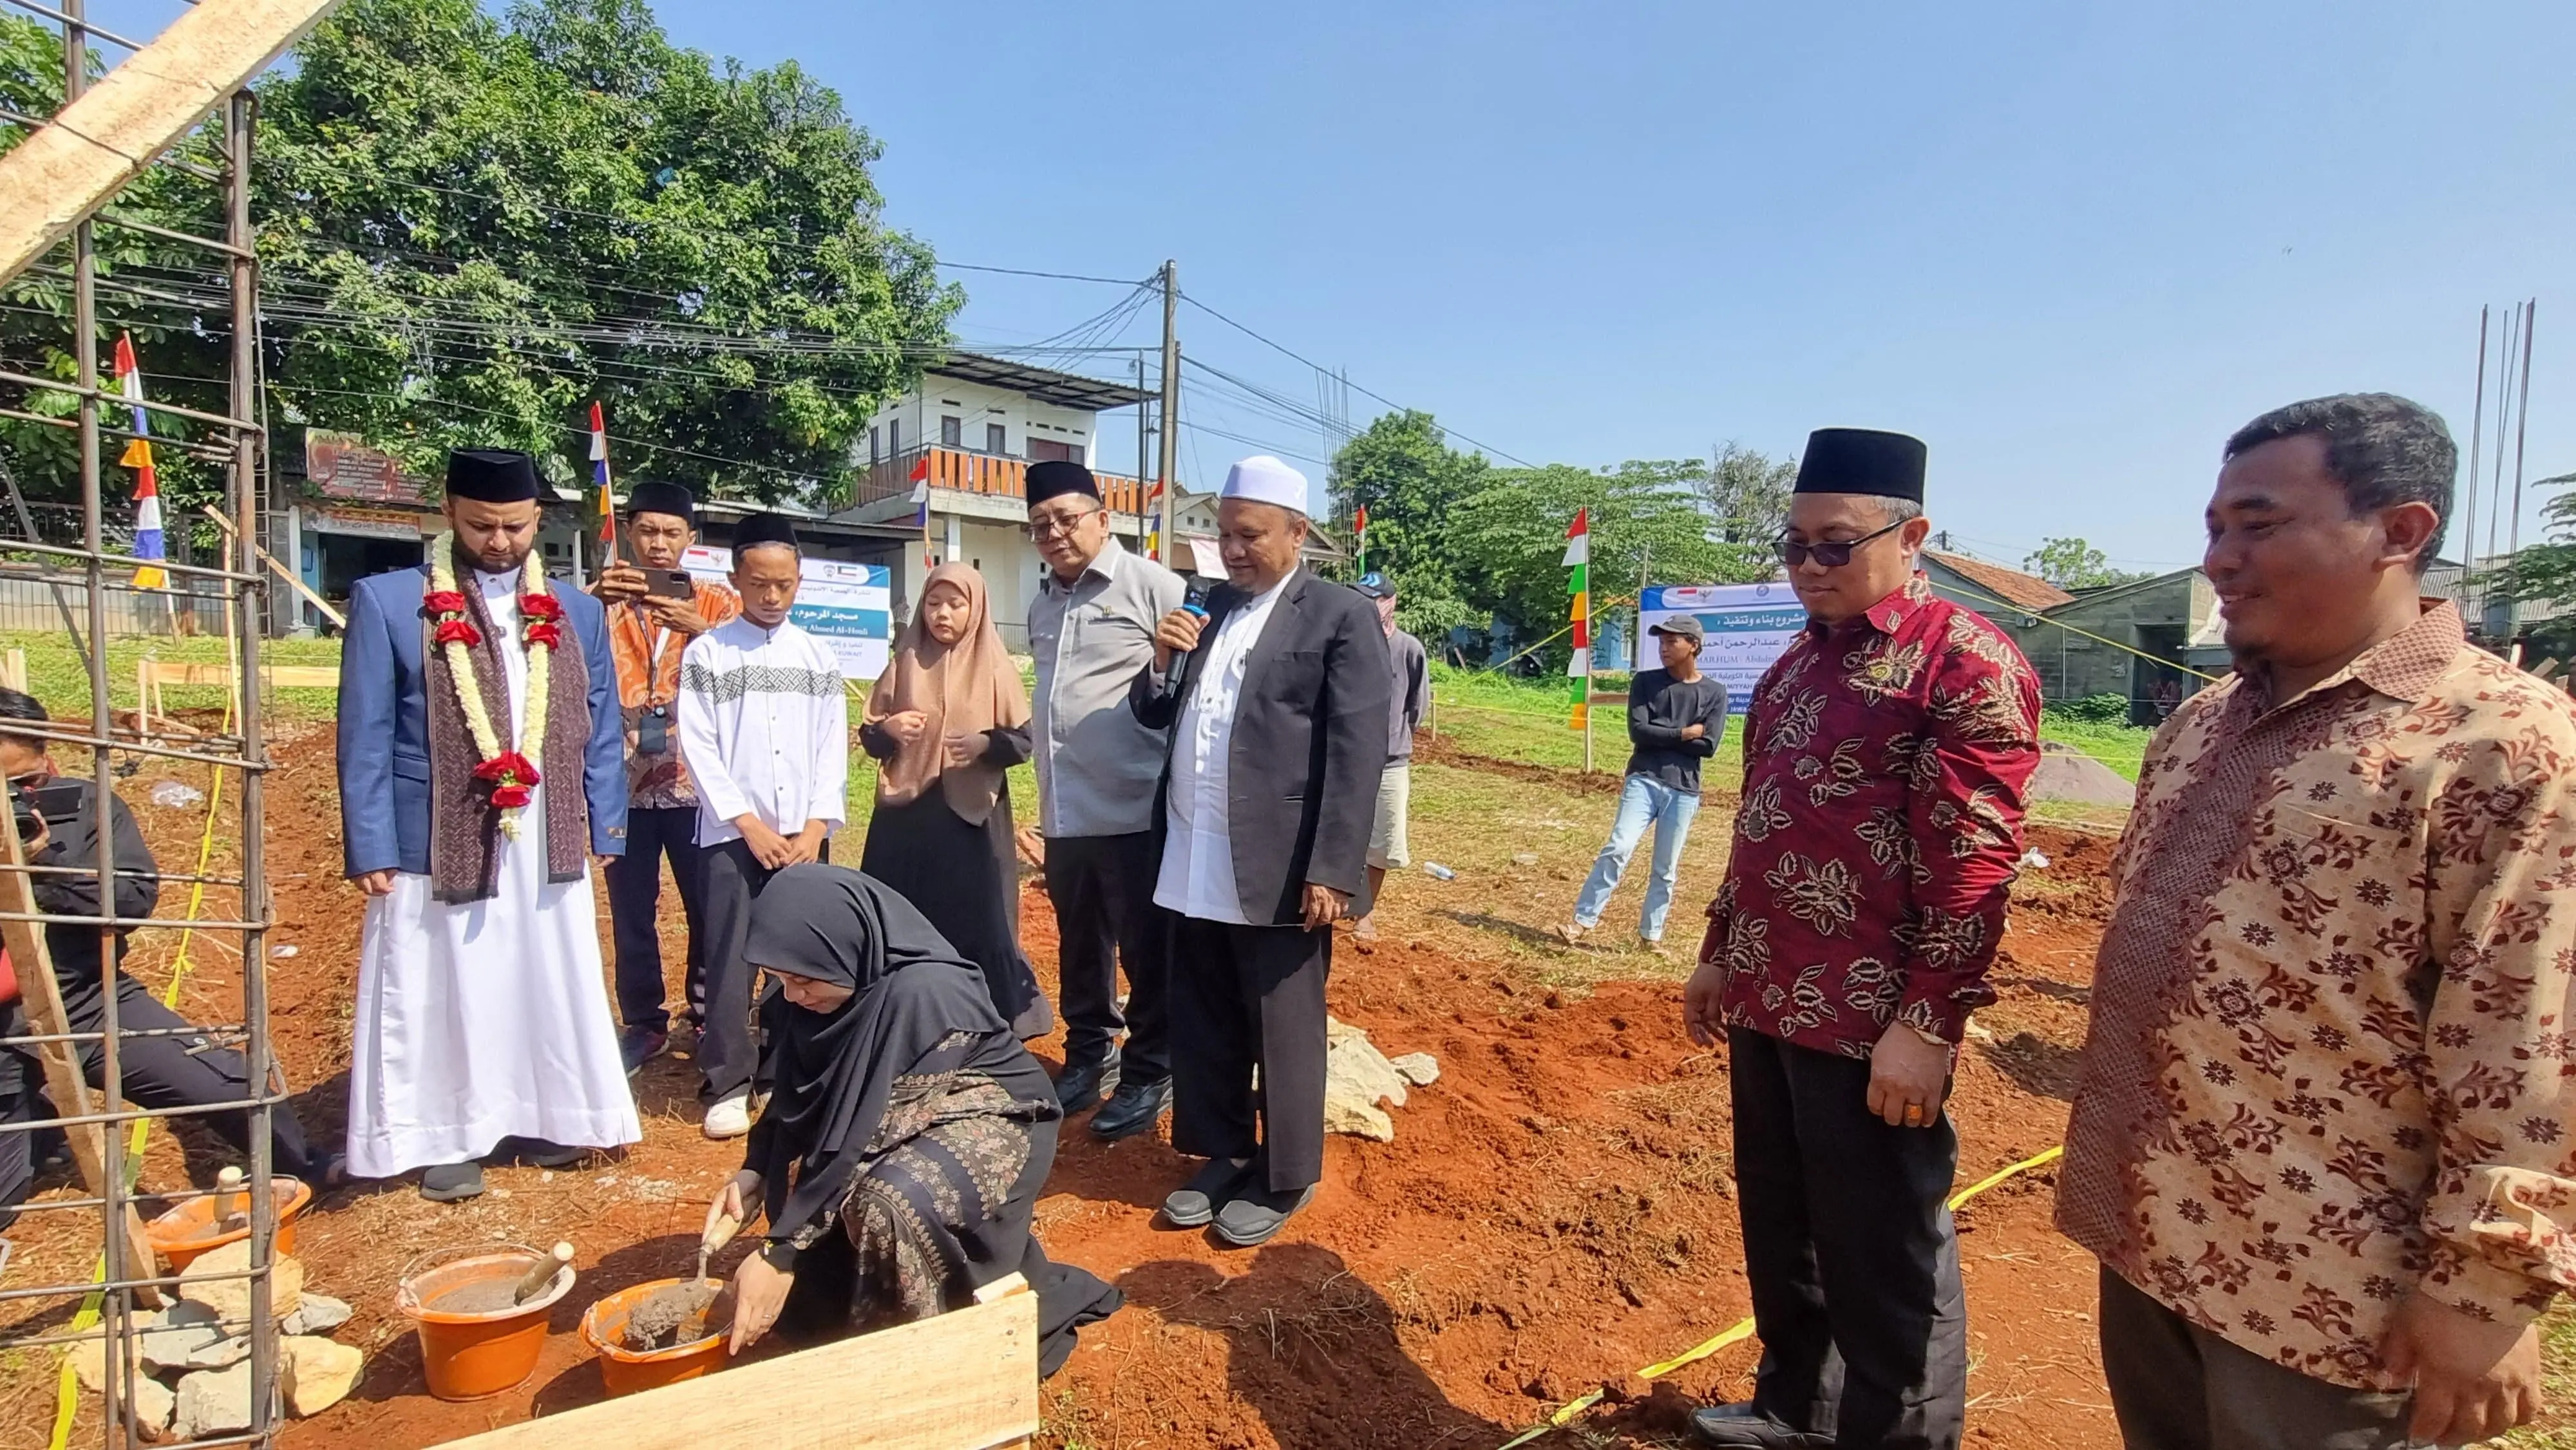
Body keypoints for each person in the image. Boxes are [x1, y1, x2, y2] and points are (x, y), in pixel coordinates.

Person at [2058, 394, 2572, 1450]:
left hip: (2328, 1302)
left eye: (2259, 524)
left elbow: (2530, 1041)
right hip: (2150, 1238)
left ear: (2401, 531)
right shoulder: (2202, 724)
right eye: (2214, 529)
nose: (2221, 559)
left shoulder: (2508, 745)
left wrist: (2485, 1288)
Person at [1681, 428, 2041, 1450]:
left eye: (1833, 546)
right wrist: (1720, 947)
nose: (1807, 568)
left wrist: (1928, 1025)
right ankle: (1797, 1410)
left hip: (1873, 1020)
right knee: (1784, 1226)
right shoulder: (1798, 664)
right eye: (1793, 546)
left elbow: (1974, 868)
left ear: (1912, 533)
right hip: (1768, 988)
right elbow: (1763, 818)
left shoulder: (1964, 663)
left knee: (1886, 1258)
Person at [338, 447, 637, 1202]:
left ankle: (549, 1113)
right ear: (449, 511)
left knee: (542, 973)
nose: (499, 542)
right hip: (433, 831)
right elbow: (364, 733)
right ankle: (445, 1135)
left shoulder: (579, 611)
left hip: (546, 832)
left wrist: (606, 823)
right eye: (481, 526)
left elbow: (601, 726)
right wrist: (371, 842)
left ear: (539, 518)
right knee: (445, 981)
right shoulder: (390, 601)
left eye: (513, 526)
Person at [701, 864, 1121, 1372]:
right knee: (829, 1182)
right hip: (886, 1120)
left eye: (803, 980)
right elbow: (797, 1095)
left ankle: (926, 1359)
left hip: (991, 1115)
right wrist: (756, 1170)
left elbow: (870, 1133)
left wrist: (783, 1251)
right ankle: (851, 1319)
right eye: (781, 980)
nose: (792, 995)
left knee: (890, 1200)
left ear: (846, 951)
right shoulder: (815, 993)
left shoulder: (925, 994)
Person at [1132, 455, 1390, 1248]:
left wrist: (1332, 866)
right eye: (1224, 532)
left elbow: (1357, 750)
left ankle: (1285, 1172)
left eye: (1249, 535)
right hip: (1193, 848)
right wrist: (1162, 660)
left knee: (1282, 1019)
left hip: (1281, 861)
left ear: (1296, 533)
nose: (1232, 548)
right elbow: (1154, 713)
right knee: (1204, 1009)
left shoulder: (1338, 615)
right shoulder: (1209, 606)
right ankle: (1223, 1148)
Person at [0, 690, 330, 1220]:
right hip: (3, 1022)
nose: (12, 801)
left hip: (84, 998)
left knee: (229, 1088)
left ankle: (307, 1165)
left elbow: (131, 898)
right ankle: (40, 1131)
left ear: (45, 762)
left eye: (22, 784)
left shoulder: (82, 805)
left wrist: (41, 872)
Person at [1022, 460, 1186, 1137]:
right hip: (1065, 810)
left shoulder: (1153, 586)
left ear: (1102, 518)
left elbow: (1183, 689)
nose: (1055, 532)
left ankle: (1151, 1066)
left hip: (1133, 807)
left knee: (1146, 950)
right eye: (1041, 524)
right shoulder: (1043, 602)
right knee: (1079, 942)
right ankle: (1090, 1052)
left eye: (1067, 517)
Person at [677, 513, 848, 1141]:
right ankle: (727, 1080)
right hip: (733, 836)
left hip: (802, 836)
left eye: (785, 585)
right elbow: (699, 748)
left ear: (800, 582)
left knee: (798, 954)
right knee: (729, 953)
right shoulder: (710, 654)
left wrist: (812, 826)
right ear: (735, 579)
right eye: (759, 584)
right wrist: (747, 823)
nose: (772, 596)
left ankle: (786, 1068)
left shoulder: (816, 655)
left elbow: (831, 747)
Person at [860, 563, 1051, 1040]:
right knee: (900, 913)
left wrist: (986, 745)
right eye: (933, 603)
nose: (943, 614)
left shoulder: (994, 664)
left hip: (971, 819)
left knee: (978, 918)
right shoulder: (906, 659)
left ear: (976, 609)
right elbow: (870, 733)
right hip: (906, 818)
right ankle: (898, 1014)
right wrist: (887, 730)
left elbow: (1023, 741)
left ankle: (986, 1018)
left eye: (955, 604)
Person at [592, 479, 742, 1075]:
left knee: (707, 904)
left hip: (693, 781)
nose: (659, 545)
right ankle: (645, 1023)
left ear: (690, 539)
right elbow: (553, 648)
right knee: (633, 910)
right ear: (629, 532)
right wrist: (589, 598)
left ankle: (708, 1015)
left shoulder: (719, 604)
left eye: (671, 533)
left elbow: (749, 669)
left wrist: (699, 631)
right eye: (648, 531)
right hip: (620, 784)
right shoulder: (599, 601)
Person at [1557, 615, 1728, 954]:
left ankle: (1651, 936)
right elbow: (1639, 732)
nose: (1664, 648)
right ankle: (1581, 922)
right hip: (1644, 779)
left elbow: (1708, 746)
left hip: (1684, 790)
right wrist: (1683, 733)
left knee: (1665, 868)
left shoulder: (1715, 693)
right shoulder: (1646, 682)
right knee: (1618, 847)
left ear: (1693, 645)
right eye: (1661, 642)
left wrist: (1663, 734)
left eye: (1672, 641)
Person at [1347, 572, 1426, 945]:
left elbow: (1417, 708)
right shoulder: (1345, 643)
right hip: (1346, 756)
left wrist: (1393, 737)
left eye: (1375, 599)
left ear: (1391, 602)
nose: (1368, 606)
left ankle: (1365, 911)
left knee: (1384, 840)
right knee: (1340, 832)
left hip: (1391, 760)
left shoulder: (1409, 649)